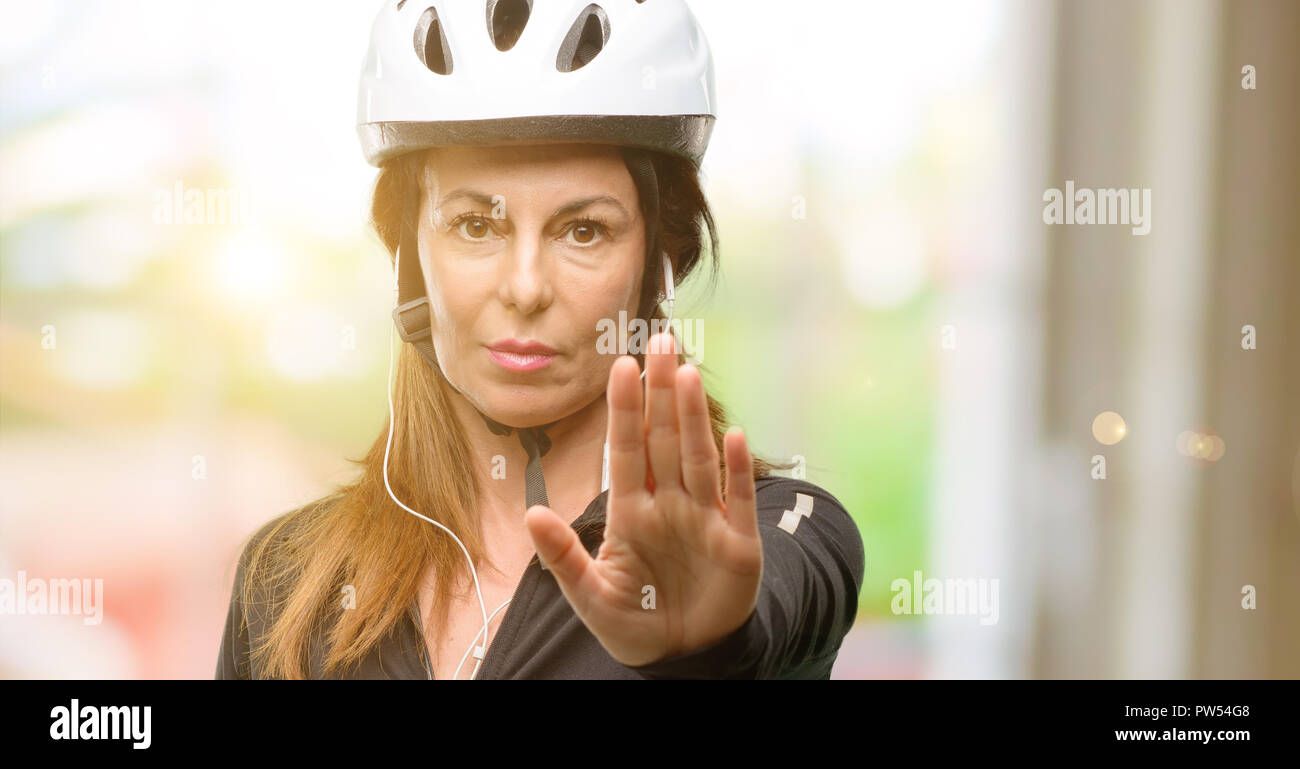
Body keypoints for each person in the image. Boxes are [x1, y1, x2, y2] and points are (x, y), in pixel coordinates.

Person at [216, 0, 863, 680]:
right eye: (473, 224)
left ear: (657, 264)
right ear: (410, 256)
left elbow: (778, 602)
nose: (525, 288)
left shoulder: (781, 527)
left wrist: (705, 646)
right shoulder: (286, 576)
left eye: (583, 230)